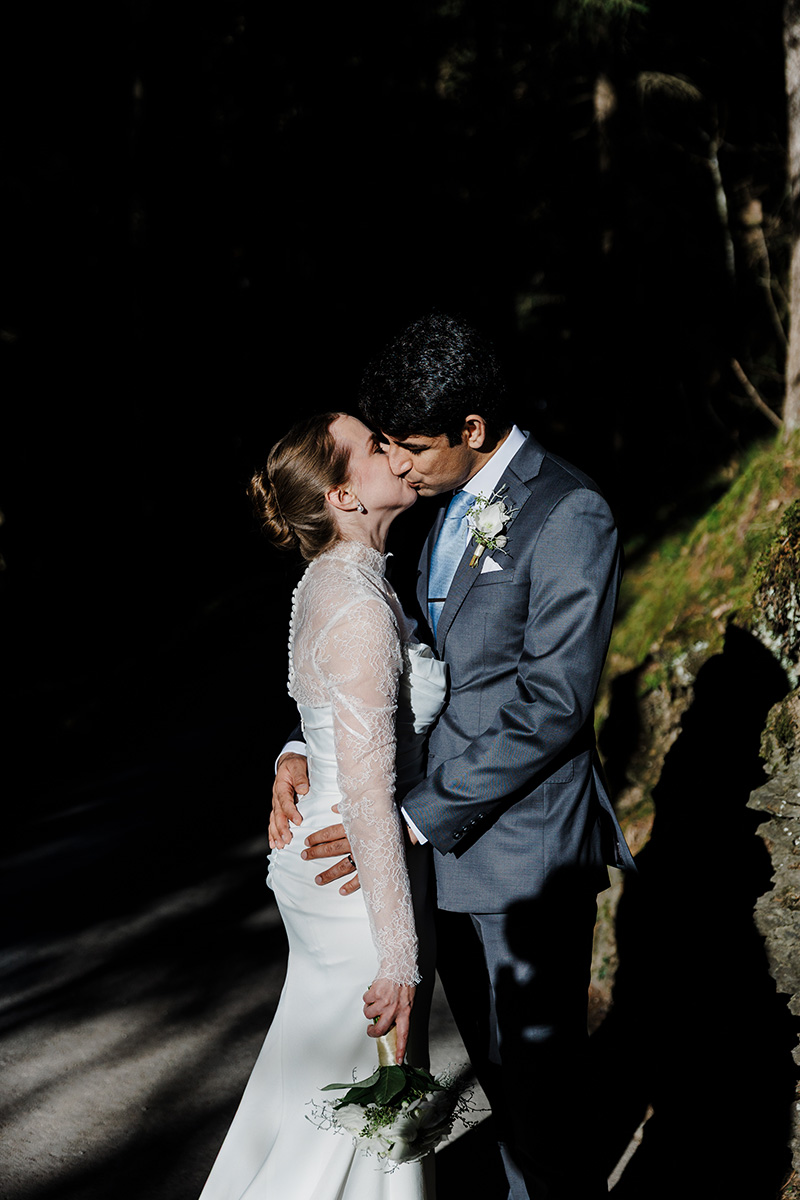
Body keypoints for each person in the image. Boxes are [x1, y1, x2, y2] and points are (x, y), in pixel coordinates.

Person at [272, 313, 637, 1200]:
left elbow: (553, 704)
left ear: (472, 431)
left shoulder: (569, 512)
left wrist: (405, 817)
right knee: (508, 1099)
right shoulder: (438, 512)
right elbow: (404, 669)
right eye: (385, 446)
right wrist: (304, 747)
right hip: (445, 862)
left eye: (411, 447)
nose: (396, 465)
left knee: (546, 1114)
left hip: (525, 861)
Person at [199, 412, 447, 1200]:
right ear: (343, 492)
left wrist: (296, 752)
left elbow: (327, 713)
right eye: (376, 445)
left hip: (329, 862)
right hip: (355, 885)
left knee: (326, 1099)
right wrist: (400, 962)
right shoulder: (357, 602)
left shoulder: (333, 580)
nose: (394, 448)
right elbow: (371, 795)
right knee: (362, 1116)